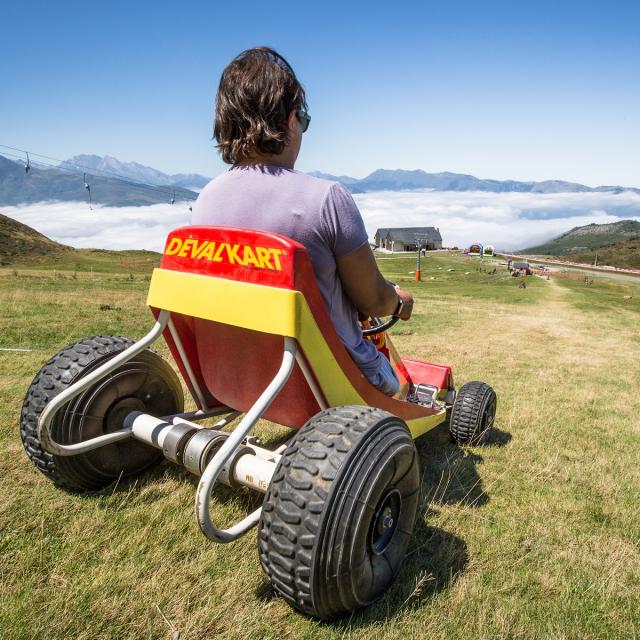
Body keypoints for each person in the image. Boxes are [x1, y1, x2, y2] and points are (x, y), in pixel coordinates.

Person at [191, 47, 413, 396]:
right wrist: (399, 302)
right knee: (396, 380)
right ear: (291, 120)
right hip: (328, 381)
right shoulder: (327, 200)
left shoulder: (206, 201)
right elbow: (371, 301)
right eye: (304, 122)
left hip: (239, 373)